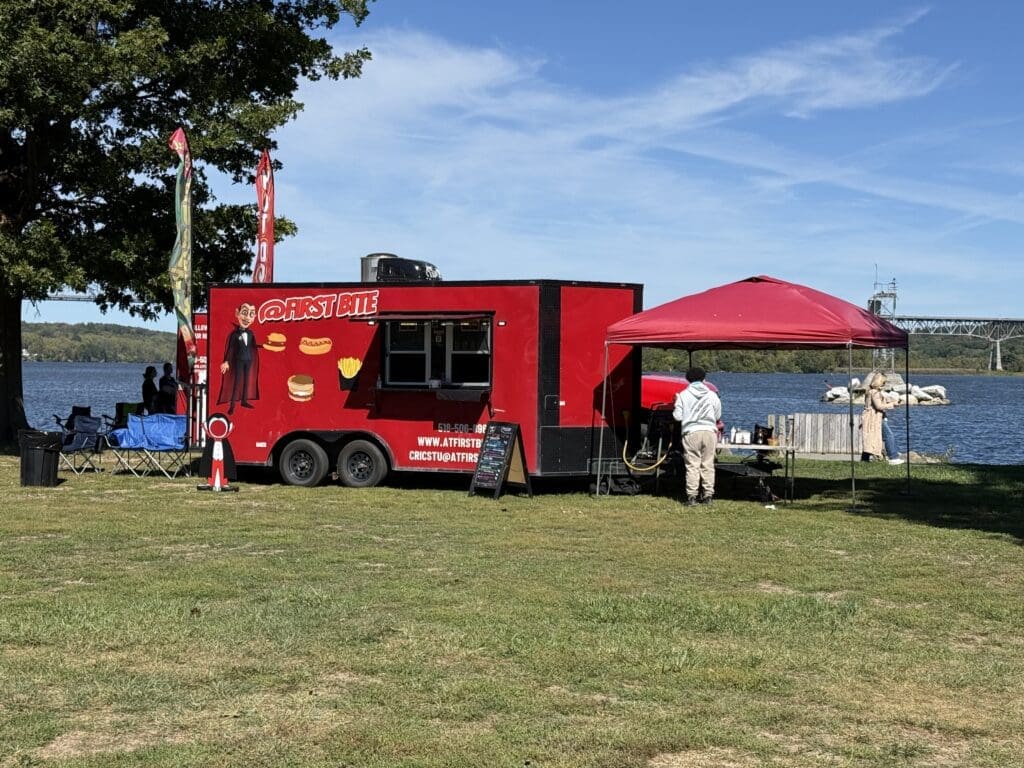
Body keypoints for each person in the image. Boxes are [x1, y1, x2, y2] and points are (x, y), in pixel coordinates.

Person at [672, 366, 723, 506]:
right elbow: (718, 415)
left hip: (691, 432)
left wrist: (675, 403)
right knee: (708, 464)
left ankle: (692, 496)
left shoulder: (683, 395)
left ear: (687, 379)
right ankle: (708, 496)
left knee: (692, 465)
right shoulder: (712, 395)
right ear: (704, 379)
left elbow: (677, 416)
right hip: (709, 431)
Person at [218, 302, 260, 415]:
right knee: (237, 382)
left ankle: (244, 401)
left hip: (248, 359)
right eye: (245, 313)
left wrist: (263, 346)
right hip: (239, 360)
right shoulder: (234, 335)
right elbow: (230, 348)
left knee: (246, 381)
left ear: (254, 317)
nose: (247, 318)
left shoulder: (251, 333)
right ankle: (232, 405)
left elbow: (253, 346)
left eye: (251, 314)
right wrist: (226, 361)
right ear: (237, 313)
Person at [861, 372, 904, 465]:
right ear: (879, 382)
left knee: (870, 437)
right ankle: (893, 457)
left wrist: (891, 401)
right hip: (875, 418)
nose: (884, 385)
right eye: (883, 383)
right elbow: (879, 406)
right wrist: (893, 404)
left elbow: (877, 402)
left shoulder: (870, 391)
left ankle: (864, 459)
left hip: (871, 417)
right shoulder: (875, 392)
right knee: (889, 435)